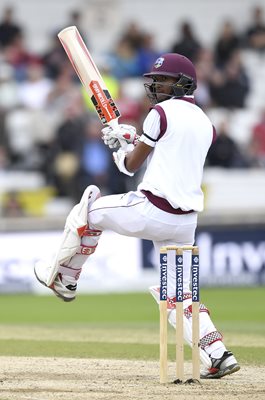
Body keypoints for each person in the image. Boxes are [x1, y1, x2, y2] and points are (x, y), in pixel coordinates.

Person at [34, 53, 240, 380]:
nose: (155, 85)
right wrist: (131, 138)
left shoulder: (159, 112)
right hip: (185, 222)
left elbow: (130, 166)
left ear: (182, 82)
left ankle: (65, 278)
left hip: (152, 209)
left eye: (163, 79)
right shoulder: (206, 122)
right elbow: (168, 149)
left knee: (87, 207)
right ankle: (218, 355)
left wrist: (118, 147)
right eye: (154, 80)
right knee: (177, 298)